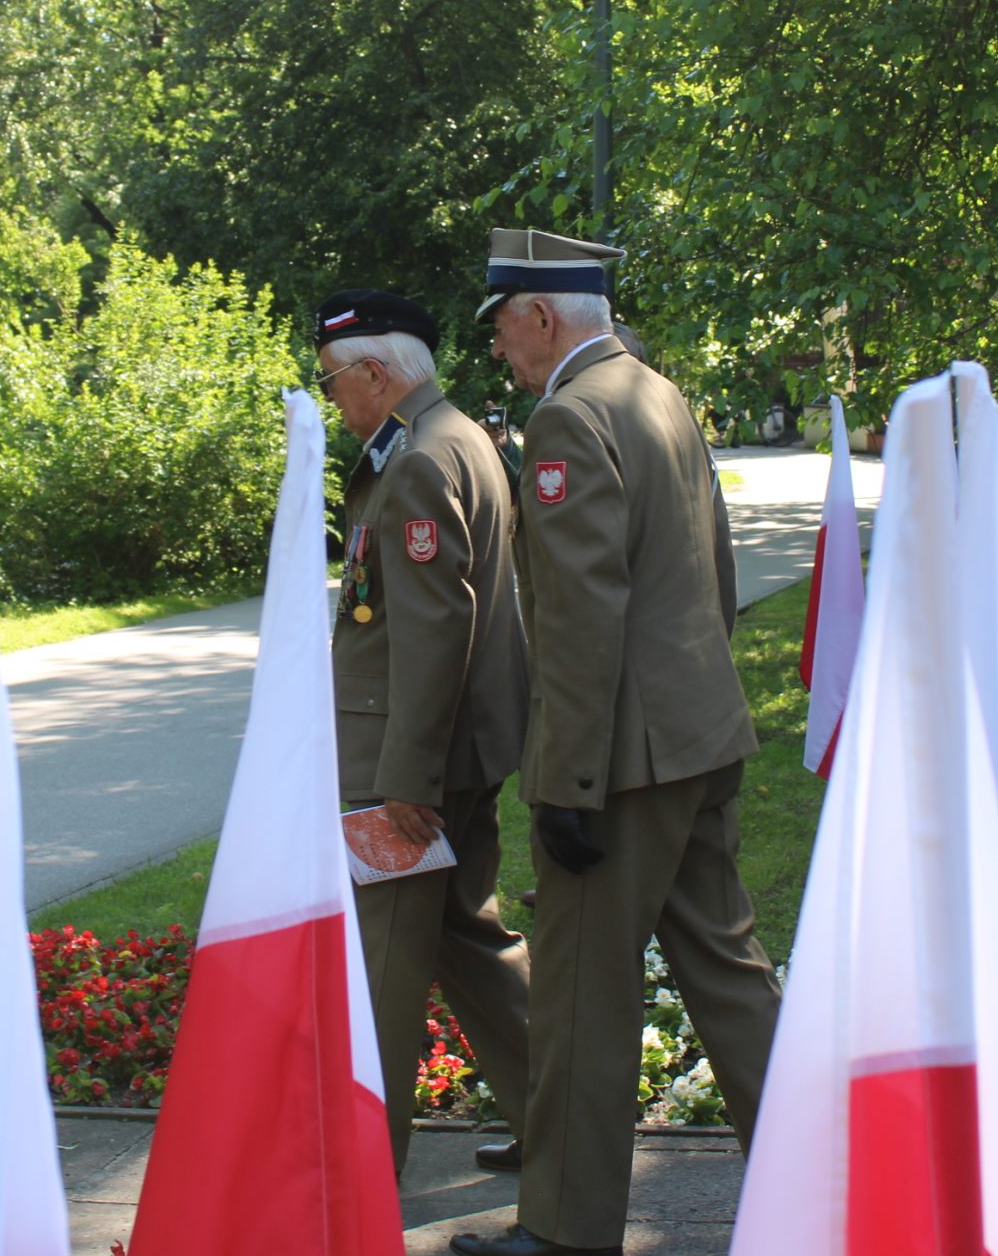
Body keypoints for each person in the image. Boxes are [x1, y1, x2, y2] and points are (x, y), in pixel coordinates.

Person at [455, 231, 782, 1256]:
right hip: (695, 733)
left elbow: (580, 613)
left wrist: (569, 780)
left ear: (542, 315)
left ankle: (563, 1231)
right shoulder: (657, 393)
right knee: (728, 973)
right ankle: (827, 1177)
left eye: (502, 328)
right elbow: (712, 565)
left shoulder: (568, 415)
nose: (499, 350)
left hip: (621, 763)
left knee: (580, 997)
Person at [312, 290, 535, 1179]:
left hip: (409, 765)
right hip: (457, 749)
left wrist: (407, 778)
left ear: (374, 372)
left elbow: (435, 629)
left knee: (384, 968)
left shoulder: (418, 458)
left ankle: (360, 1173)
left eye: (332, 379)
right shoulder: (457, 436)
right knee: (465, 939)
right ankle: (561, 1124)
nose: (330, 396)